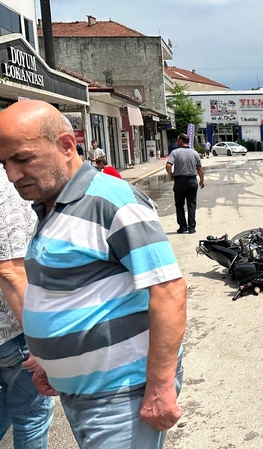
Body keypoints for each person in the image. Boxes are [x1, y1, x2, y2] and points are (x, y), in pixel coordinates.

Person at [0, 100, 187, 448]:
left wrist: (160, 387)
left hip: (120, 396)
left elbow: (169, 291)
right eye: (4, 164)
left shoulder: (110, 200)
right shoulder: (51, 205)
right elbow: (67, 294)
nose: (12, 176)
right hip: (83, 393)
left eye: (23, 159)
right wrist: (48, 361)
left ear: (66, 145)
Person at [0, 164, 54, 448]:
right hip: (12, 332)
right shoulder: (6, 187)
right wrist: (38, 341)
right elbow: (10, 270)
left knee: (9, 406)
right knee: (31, 416)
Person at [166, 133, 205, 234]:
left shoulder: (175, 152)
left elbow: (168, 165)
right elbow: (199, 168)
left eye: (177, 140)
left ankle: (182, 226)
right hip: (192, 180)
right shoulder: (195, 153)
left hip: (179, 181)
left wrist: (171, 176)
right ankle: (191, 227)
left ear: (181, 141)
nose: (176, 141)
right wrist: (202, 180)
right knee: (191, 204)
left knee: (179, 204)